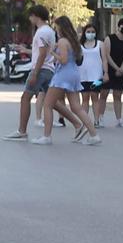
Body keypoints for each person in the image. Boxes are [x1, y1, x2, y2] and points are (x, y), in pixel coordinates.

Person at [37, 17, 98, 146]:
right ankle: (93, 134)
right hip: (74, 74)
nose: (55, 29)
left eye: (57, 27)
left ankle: (46, 136)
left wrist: (52, 52)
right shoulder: (72, 41)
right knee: (76, 107)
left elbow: (63, 60)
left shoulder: (63, 41)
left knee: (48, 104)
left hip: (62, 75)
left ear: (61, 27)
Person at [6, 5, 54, 141]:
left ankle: (22, 131)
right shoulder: (48, 31)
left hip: (41, 69)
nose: (29, 19)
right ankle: (78, 124)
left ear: (36, 16)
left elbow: (43, 54)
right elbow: (41, 52)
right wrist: (25, 50)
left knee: (25, 98)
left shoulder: (42, 32)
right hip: (48, 69)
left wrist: (34, 73)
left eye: (30, 16)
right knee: (53, 102)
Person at [77, 21, 108, 131]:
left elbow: (104, 60)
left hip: (97, 76)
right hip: (83, 76)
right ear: (84, 32)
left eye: (93, 32)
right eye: (88, 31)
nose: (90, 33)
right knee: (84, 98)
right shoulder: (80, 45)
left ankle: (96, 120)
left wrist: (106, 73)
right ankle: (84, 121)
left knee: (95, 97)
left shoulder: (100, 44)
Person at [105, 19, 123, 126]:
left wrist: (122, 68)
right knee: (104, 93)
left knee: (117, 95)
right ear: (119, 26)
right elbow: (107, 55)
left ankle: (119, 119)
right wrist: (116, 68)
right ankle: (99, 118)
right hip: (109, 68)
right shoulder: (109, 38)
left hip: (121, 69)